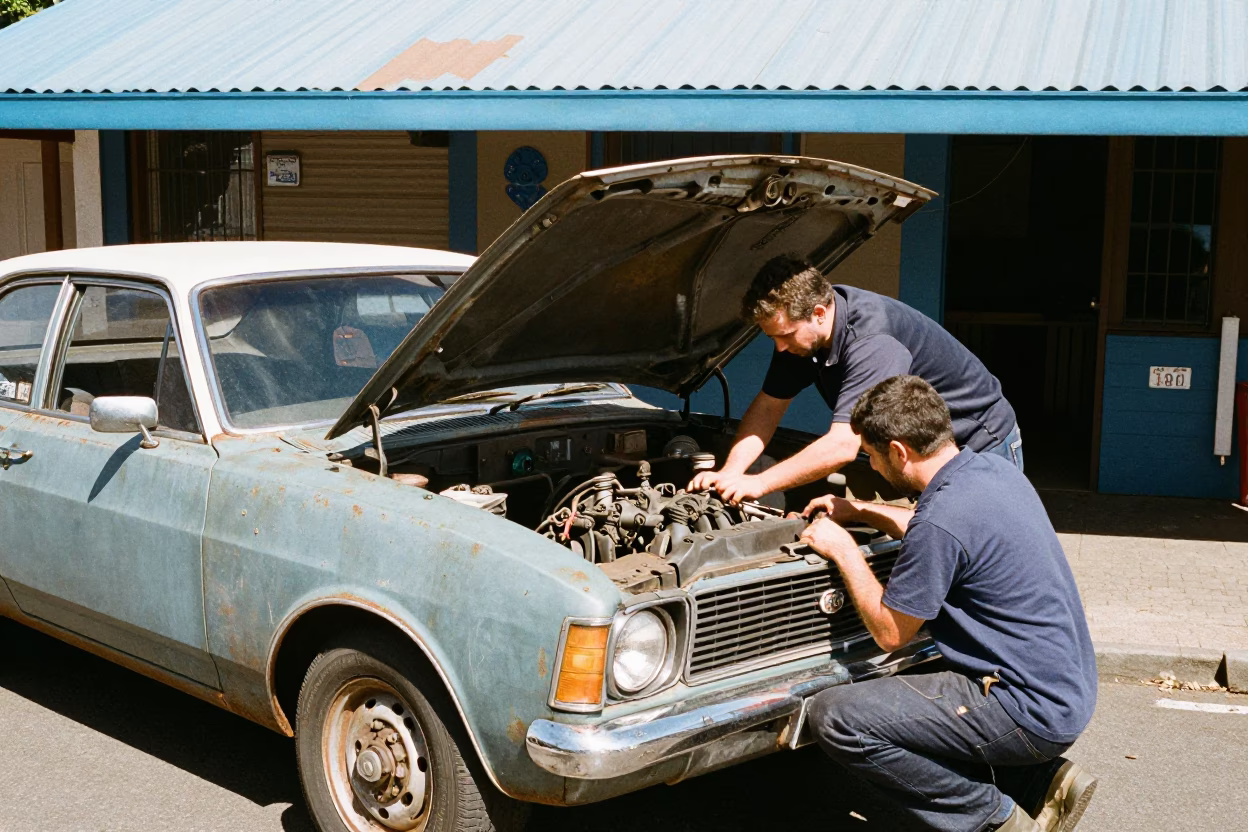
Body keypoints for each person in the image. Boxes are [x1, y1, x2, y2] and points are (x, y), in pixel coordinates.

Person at [798, 375, 1097, 832]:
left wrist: (844, 550)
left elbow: (890, 633)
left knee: (837, 716)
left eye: (872, 455)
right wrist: (859, 510)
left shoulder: (941, 521)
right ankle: (1041, 783)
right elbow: (932, 525)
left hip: (1028, 710)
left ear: (898, 451)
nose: (871, 466)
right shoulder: (990, 471)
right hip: (1067, 688)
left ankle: (993, 820)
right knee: (916, 697)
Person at [690, 256, 1021, 504]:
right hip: (919, 451)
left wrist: (759, 483)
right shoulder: (802, 339)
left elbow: (842, 446)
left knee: (978, 553)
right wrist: (731, 472)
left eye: (786, 335)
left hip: (977, 442)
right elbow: (768, 407)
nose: (780, 347)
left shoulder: (871, 343)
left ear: (819, 313)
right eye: (772, 337)